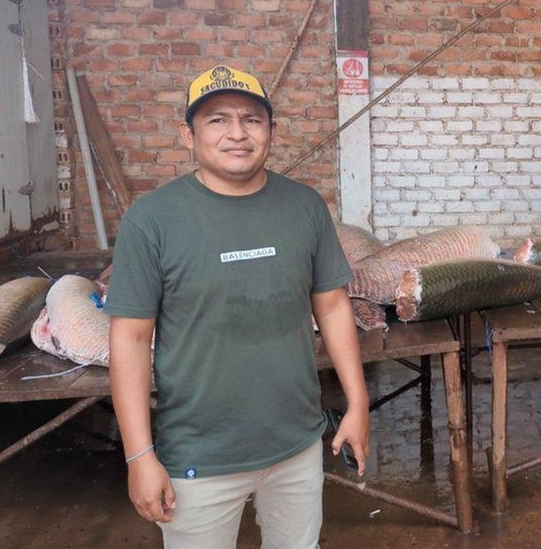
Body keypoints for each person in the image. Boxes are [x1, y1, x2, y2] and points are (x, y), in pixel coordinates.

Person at [105, 64, 370, 548]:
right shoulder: (152, 220)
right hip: (199, 455)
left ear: (270, 130)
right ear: (188, 136)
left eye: (251, 119)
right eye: (216, 120)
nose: (236, 133)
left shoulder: (304, 206)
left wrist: (358, 403)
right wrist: (139, 455)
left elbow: (332, 306)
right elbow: (130, 338)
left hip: (295, 443)